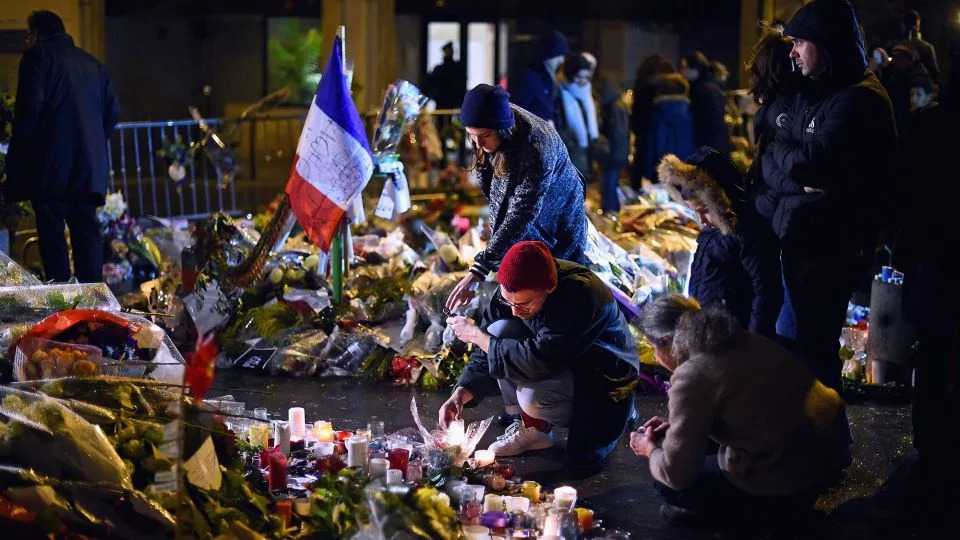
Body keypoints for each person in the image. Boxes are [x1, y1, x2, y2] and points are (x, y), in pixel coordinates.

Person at [630, 295, 851, 528]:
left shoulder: (692, 375)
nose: (655, 357)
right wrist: (678, 427)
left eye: (654, 348)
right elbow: (749, 409)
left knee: (667, 483)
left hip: (797, 471)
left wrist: (650, 449)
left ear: (667, 341)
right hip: (832, 447)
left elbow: (675, 474)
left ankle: (759, 515)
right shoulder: (741, 339)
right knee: (690, 449)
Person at [766, 0, 897, 391]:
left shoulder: (859, 98)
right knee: (793, 350)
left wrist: (784, 156)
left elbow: (811, 165)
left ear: (827, 45)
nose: (792, 52)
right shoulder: (817, 90)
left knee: (813, 356)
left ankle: (822, 443)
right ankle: (808, 440)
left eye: (800, 43)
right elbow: (777, 154)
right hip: (799, 239)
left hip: (828, 246)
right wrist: (786, 159)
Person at [440, 241, 639, 470]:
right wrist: (460, 393)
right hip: (558, 364)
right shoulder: (512, 290)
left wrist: (477, 337)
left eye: (524, 305)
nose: (515, 311)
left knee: (575, 446)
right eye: (508, 301)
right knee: (497, 331)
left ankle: (623, 410)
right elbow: (487, 346)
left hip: (601, 375)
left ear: (550, 288)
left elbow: (539, 360)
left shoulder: (580, 293)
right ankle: (534, 430)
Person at [445, 84, 589, 314]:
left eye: (484, 136)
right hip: (531, 217)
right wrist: (495, 245)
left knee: (556, 291)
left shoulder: (536, 148)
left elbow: (521, 212)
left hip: (559, 218)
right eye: (472, 136)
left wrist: (480, 269)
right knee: (521, 288)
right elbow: (497, 196)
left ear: (503, 130)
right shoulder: (488, 124)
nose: (478, 144)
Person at [4, 10, 120, 283]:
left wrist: (19, 162)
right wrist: (90, 140)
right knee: (86, 235)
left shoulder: (38, 57)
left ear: (38, 34)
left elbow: (28, 112)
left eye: (28, 35)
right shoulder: (93, 64)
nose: (27, 41)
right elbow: (113, 113)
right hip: (87, 168)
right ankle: (94, 307)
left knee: (53, 237)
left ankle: (62, 307)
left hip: (50, 168)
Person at [658, 147, 782, 338]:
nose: (701, 220)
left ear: (720, 199)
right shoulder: (713, 230)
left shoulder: (746, 232)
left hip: (735, 339)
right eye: (695, 212)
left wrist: (755, 339)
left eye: (705, 210)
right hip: (711, 334)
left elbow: (766, 291)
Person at [744, 29, 801, 219]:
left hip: (774, 216)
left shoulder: (782, 109)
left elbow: (781, 174)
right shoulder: (777, 105)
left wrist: (757, 206)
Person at [631, 54, 675, 189]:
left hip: (643, 133)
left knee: (640, 165)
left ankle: (637, 191)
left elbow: (636, 115)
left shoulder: (641, 87)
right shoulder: (665, 89)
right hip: (658, 134)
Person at [642, 73, 693, 182]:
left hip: (661, 168)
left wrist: (648, 171)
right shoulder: (687, 113)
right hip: (684, 168)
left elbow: (652, 145)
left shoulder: (658, 113)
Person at [512, 31, 568, 124]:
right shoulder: (530, 79)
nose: (561, 60)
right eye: (558, 56)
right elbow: (517, 111)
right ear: (548, 55)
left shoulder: (550, 79)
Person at [555, 53, 597, 177]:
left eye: (586, 77)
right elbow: (558, 125)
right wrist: (571, 142)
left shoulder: (586, 92)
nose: (583, 81)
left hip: (584, 149)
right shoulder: (560, 92)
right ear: (570, 74)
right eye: (579, 77)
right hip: (570, 150)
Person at [682, 51, 731, 155]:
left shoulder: (704, 90)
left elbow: (709, 125)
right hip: (713, 148)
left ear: (695, 68)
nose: (683, 71)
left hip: (708, 148)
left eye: (685, 67)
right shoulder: (706, 88)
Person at [594, 77, 630, 214]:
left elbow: (615, 132)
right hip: (618, 151)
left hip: (613, 151)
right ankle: (611, 210)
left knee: (609, 183)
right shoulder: (619, 104)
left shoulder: (613, 107)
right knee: (611, 182)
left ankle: (610, 212)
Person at [894, 9, 939, 83]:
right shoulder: (927, 47)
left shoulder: (895, 46)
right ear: (918, 24)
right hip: (918, 89)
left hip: (898, 89)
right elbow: (934, 72)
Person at [426, 42, 467, 110]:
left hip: (453, 101)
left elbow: (461, 85)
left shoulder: (457, 68)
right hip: (442, 101)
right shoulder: (439, 69)